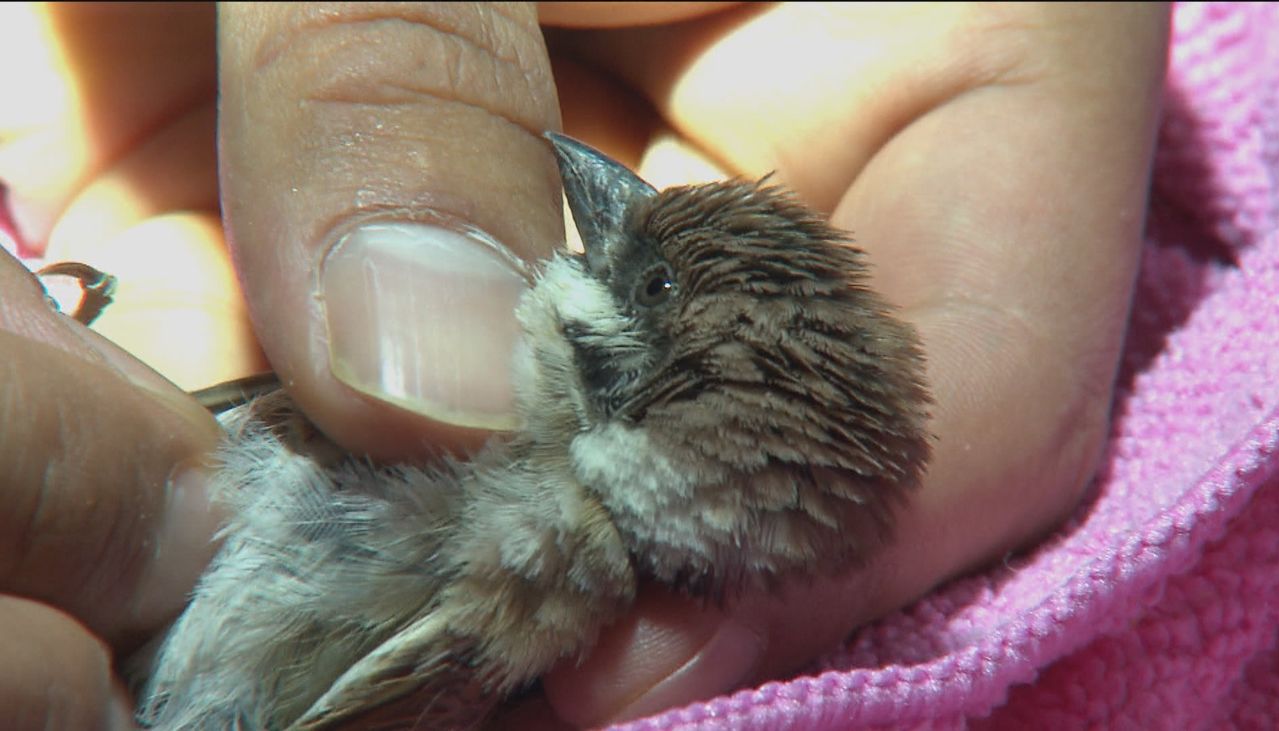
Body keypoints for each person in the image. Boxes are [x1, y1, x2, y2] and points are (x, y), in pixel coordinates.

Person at [0, 3, 1170, 728]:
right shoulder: (537, 489)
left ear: (646, 375)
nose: (601, 194)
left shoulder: (535, 572)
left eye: (651, 282)